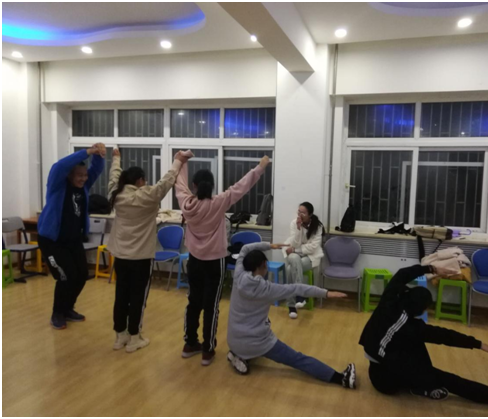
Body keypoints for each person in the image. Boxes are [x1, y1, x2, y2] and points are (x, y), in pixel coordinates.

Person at [359, 264, 488, 414]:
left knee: (415, 351)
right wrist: (478, 344)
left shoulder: (389, 300)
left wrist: (431, 268)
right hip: (388, 384)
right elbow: (447, 336)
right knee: (447, 379)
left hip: (376, 372)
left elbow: (402, 274)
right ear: (420, 310)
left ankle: (419, 386)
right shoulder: (414, 328)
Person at [175, 150, 269, 366]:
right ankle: (207, 351)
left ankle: (190, 344)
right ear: (212, 186)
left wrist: (181, 161)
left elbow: (179, 184)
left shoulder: (186, 203)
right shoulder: (219, 202)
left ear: (194, 186)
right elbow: (242, 186)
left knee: (193, 302)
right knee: (211, 306)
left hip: (194, 260)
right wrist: (260, 167)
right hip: (214, 262)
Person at [226, 241, 356, 388]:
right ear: (263, 265)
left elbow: (244, 248)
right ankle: (342, 378)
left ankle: (239, 355)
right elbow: (297, 288)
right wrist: (326, 293)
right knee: (297, 359)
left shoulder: (239, 273)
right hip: (257, 342)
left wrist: (269, 245)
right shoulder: (267, 289)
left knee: (264, 322)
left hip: (233, 339)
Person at [108, 148, 186, 353]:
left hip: (121, 256)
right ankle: (134, 338)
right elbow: (166, 182)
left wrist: (116, 158)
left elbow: (114, 176)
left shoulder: (116, 194)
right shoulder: (147, 196)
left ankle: (120, 336)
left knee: (121, 295)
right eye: (144, 180)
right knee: (138, 298)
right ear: (140, 180)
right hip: (141, 258)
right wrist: (178, 161)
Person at [38, 144, 106, 330]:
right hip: (53, 241)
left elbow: (96, 169)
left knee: (82, 275)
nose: (84, 178)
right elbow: (59, 166)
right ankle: (57, 313)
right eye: (79, 175)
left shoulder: (84, 187)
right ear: (69, 175)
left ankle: (68, 308)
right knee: (65, 276)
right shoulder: (57, 186)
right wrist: (87, 152)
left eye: (85, 175)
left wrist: (99, 155)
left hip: (73, 241)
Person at [283, 202, 325, 319]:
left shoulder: (318, 226)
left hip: (311, 256)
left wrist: (295, 250)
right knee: (294, 259)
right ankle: (300, 296)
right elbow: (294, 243)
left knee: (290, 269)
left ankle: (292, 305)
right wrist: (298, 228)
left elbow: (313, 247)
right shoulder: (294, 223)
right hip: (295, 254)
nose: (300, 214)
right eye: (299, 211)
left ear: (310, 214)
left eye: (303, 213)